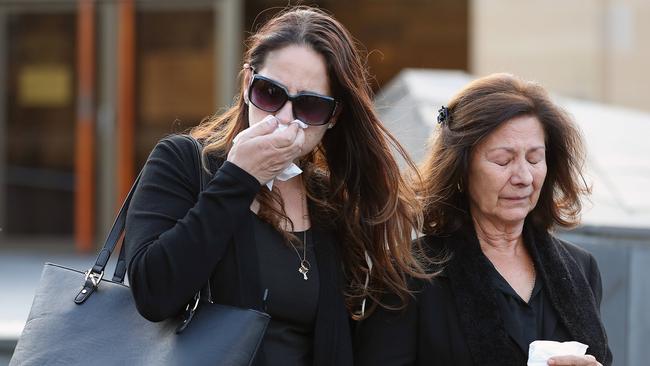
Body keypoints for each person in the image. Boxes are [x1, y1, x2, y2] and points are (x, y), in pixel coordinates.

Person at [124, 7, 426, 366]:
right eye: (270, 93)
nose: (284, 117)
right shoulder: (184, 162)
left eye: (309, 106)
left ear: (333, 117)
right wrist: (239, 178)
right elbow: (153, 293)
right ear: (247, 83)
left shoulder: (329, 201)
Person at [354, 73, 612, 366]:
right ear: (461, 168)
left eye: (534, 158)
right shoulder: (408, 274)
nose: (524, 177)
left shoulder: (580, 269)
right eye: (503, 160)